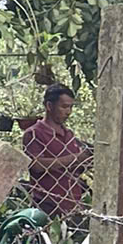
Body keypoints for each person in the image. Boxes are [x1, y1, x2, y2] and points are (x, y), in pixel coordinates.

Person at [18, 84, 91, 223]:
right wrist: (75, 158)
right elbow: (37, 165)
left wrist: (87, 161)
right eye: (64, 107)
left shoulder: (69, 135)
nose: (68, 112)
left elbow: (74, 168)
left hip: (73, 204)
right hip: (47, 206)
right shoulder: (34, 133)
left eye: (71, 107)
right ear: (49, 106)